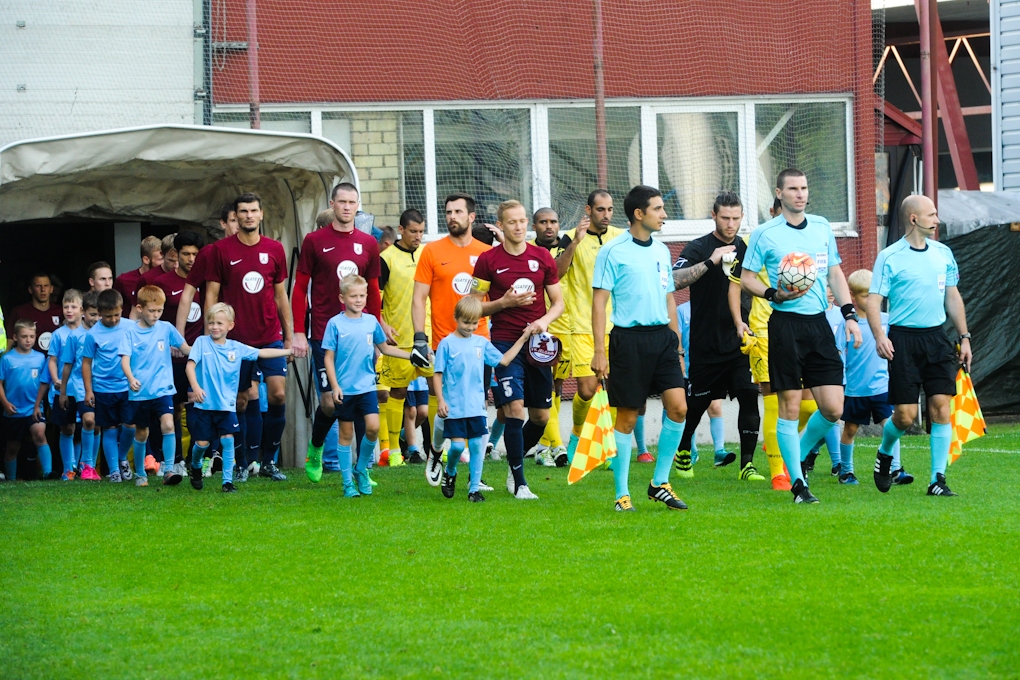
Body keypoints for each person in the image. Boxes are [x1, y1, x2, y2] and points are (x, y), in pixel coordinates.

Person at [739, 168, 862, 505]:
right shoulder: (765, 234)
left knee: (834, 408)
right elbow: (746, 277)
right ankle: (797, 483)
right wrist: (770, 293)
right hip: (784, 326)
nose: (800, 194)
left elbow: (835, 272)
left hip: (819, 325)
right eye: (793, 189)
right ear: (779, 193)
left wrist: (849, 315)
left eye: (804, 188)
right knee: (789, 406)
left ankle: (799, 454)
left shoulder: (822, 227)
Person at [592, 185, 689, 512]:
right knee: (628, 418)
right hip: (628, 341)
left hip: (662, 339)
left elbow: (669, 299)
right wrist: (599, 351)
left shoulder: (662, 251)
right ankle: (621, 495)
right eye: (658, 209)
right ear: (639, 213)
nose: (664, 214)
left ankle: (659, 483)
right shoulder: (612, 251)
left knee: (679, 408)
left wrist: (677, 345)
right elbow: (599, 303)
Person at [867, 194, 970, 497]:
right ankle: (885, 453)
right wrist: (880, 336)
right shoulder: (889, 256)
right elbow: (874, 301)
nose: (937, 220)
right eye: (932, 214)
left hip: (937, 338)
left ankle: (937, 479)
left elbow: (952, 296)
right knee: (905, 416)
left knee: (941, 409)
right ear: (914, 219)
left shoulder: (943, 253)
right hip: (903, 340)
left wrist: (964, 337)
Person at [471, 199, 564, 499]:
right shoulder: (487, 260)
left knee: (540, 418)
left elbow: (558, 303)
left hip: (537, 346)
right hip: (504, 345)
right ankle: (521, 483)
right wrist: (503, 304)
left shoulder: (543, 258)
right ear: (501, 225)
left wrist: (543, 320)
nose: (520, 226)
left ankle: (513, 470)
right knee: (512, 409)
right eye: (512, 222)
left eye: (523, 220)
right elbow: (471, 307)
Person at [293, 183, 385, 479]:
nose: (347, 207)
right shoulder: (314, 240)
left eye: (352, 202)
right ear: (332, 204)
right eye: (341, 202)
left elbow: (372, 288)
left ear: (358, 205)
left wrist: (378, 324)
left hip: (360, 333)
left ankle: (362, 468)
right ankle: (317, 448)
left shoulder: (368, 243)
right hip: (324, 331)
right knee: (331, 402)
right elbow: (299, 287)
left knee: (360, 397)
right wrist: (297, 331)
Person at [671, 191, 763, 482]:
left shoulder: (747, 249)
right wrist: (711, 261)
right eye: (725, 218)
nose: (731, 224)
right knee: (697, 403)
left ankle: (747, 465)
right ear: (714, 215)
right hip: (705, 341)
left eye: (736, 218)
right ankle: (684, 449)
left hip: (740, 339)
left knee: (749, 398)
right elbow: (675, 280)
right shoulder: (699, 247)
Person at [204, 192, 294, 483]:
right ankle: (242, 463)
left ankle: (268, 461)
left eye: (253, 210)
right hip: (236, 341)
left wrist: (289, 337)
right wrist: (213, 335)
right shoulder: (221, 250)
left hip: (270, 336)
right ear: (236, 216)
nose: (248, 216)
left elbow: (281, 295)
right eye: (243, 211)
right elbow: (212, 295)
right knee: (241, 401)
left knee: (278, 394)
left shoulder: (275, 249)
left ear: (261, 214)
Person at [306, 275, 413, 496]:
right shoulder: (335, 324)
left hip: (366, 387)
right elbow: (328, 358)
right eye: (353, 296)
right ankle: (347, 483)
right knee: (345, 435)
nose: (358, 300)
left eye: (362, 296)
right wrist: (335, 386)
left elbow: (384, 348)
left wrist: (410, 355)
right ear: (342, 297)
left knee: (372, 428)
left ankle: (360, 470)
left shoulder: (371, 321)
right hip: (345, 389)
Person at [411, 193, 492, 487]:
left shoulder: (485, 253)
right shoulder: (432, 251)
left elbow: (488, 300)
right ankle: (435, 450)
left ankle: (476, 477)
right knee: (444, 405)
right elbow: (419, 298)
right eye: (448, 212)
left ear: (471, 217)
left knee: (478, 404)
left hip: (479, 342)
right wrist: (420, 337)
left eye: (458, 211)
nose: (452, 217)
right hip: (444, 342)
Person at [435, 296, 537, 502]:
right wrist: (440, 400)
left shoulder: (482, 343)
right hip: (454, 406)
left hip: (476, 408)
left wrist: (523, 339)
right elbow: (437, 374)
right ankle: (451, 471)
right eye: (466, 322)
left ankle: (474, 489)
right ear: (456, 318)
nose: (470, 327)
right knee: (456, 447)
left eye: (474, 323)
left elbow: (504, 360)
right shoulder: (446, 344)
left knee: (475, 447)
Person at [186, 303, 292, 492]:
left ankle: (227, 482)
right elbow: (190, 366)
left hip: (226, 407)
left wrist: (287, 351)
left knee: (228, 440)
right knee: (202, 444)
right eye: (211, 323)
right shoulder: (201, 343)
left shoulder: (236, 348)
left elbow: (261, 353)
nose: (214, 327)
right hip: (205, 405)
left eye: (219, 323)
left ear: (230, 326)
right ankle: (195, 465)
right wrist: (196, 387)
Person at [555, 190, 625, 462]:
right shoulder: (570, 237)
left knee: (617, 389)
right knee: (586, 389)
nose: (606, 215)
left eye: (609, 209)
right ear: (588, 210)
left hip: (618, 325)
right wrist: (574, 242)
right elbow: (557, 272)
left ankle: (610, 449)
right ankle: (576, 433)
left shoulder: (621, 237)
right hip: (582, 327)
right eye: (600, 210)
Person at [835, 269, 913, 486]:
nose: (870, 300)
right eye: (864, 296)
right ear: (853, 296)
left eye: (873, 295)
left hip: (882, 388)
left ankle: (895, 469)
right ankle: (846, 471)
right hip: (855, 389)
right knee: (850, 429)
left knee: (892, 425)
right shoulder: (847, 326)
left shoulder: (887, 321)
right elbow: (839, 354)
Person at [377, 209, 435, 469]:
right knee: (397, 391)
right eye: (413, 231)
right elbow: (374, 298)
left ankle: (438, 449)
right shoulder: (386, 259)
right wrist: (382, 324)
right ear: (401, 230)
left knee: (437, 388)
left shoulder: (428, 254)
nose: (418, 236)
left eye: (422, 231)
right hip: (399, 338)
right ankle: (392, 451)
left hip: (428, 336)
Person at [120, 286, 192, 487]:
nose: (156, 315)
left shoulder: (166, 328)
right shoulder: (130, 332)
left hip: (163, 389)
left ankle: (169, 470)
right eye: (152, 311)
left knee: (168, 424)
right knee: (142, 432)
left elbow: (184, 347)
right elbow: (124, 360)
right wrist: (130, 377)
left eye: (159, 311)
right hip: (140, 391)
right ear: (140, 308)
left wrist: (206, 348)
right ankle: (141, 473)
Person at [154, 230, 205, 477]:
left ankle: (195, 459)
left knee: (197, 404)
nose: (191, 259)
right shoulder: (163, 284)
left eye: (196, 254)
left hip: (199, 356)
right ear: (176, 254)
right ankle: (172, 460)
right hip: (171, 358)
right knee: (173, 409)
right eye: (186, 254)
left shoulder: (207, 283)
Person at [530, 207, 571, 467]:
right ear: (534, 226)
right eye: (543, 222)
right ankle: (557, 446)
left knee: (557, 388)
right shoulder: (529, 252)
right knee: (543, 387)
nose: (549, 226)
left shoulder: (569, 246)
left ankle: (543, 446)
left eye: (553, 222)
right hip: (539, 328)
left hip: (566, 326)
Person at [82, 289, 136, 483]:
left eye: (116, 315)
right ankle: (113, 470)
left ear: (122, 309)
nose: (113, 319)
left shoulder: (131, 327)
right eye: (108, 316)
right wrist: (88, 390)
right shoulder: (93, 333)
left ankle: (122, 459)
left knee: (130, 425)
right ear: (99, 313)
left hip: (127, 386)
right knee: (110, 428)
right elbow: (86, 363)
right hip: (103, 388)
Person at [676, 300, 728, 466]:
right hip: (690, 370)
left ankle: (719, 451)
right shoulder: (682, 310)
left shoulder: (717, 307)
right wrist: (680, 359)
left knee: (715, 407)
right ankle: (690, 450)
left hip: (712, 368)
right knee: (689, 410)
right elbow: (676, 336)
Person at [0, 321, 52, 480]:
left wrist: (39, 405)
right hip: (14, 410)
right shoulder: (7, 359)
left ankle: (48, 473)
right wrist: (5, 404)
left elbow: (44, 383)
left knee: (39, 434)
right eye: (24, 337)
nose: (28, 340)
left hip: (34, 408)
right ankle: (12, 479)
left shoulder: (40, 358)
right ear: (15, 337)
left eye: (31, 336)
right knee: (12, 446)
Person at [59, 291, 101, 480]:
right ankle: (71, 468)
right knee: (73, 426)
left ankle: (89, 466)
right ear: (84, 312)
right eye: (93, 314)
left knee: (96, 425)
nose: (97, 318)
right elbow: (67, 364)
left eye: (100, 314)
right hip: (77, 388)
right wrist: (62, 391)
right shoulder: (75, 336)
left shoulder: (105, 333)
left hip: (101, 386)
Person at [45, 289, 85, 480]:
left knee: (81, 428)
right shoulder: (58, 335)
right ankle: (67, 469)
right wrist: (55, 379)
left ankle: (79, 468)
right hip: (64, 389)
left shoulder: (87, 333)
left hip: (83, 389)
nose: (69, 310)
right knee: (67, 427)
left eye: (73, 306)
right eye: (66, 306)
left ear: (82, 309)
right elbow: (52, 360)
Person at [10, 272, 62, 353]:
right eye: (38, 286)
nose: (43, 290)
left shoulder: (61, 311)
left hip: (56, 362)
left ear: (51, 289)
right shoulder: (19, 312)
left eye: (46, 286)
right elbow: (10, 339)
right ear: (30, 289)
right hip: (29, 363)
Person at [114, 236, 163, 310]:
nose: (164, 263)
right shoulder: (123, 280)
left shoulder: (165, 280)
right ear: (146, 259)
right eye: (160, 259)